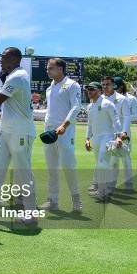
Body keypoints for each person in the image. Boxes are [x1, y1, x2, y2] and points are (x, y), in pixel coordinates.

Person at [0, 47, 38, 223]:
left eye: (4, 57)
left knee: (23, 171)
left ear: (13, 59)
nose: (1, 60)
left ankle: (31, 212)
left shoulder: (19, 76)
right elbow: (5, 109)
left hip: (20, 131)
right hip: (4, 130)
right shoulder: (12, 77)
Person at [39, 58, 82, 212]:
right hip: (50, 132)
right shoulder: (49, 88)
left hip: (65, 131)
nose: (48, 70)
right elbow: (49, 111)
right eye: (47, 68)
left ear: (60, 69)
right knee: (51, 168)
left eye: (50, 68)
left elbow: (76, 106)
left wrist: (64, 125)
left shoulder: (72, 85)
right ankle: (53, 200)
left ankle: (76, 199)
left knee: (68, 166)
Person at [84, 82, 123, 202]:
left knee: (102, 163)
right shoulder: (90, 106)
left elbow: (116, 121)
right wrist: (87, 138)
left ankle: (103, 192)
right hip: (96, 138)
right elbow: (90, 124)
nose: (89, 91)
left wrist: (118, 137)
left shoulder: (107, 104)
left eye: (92, 89)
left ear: (100, 91)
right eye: (88, 89)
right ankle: (103, 189)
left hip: (107, 137)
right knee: (99, 163)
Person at [113, 77, 137, 191]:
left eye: (116, 86)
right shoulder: (110, 98)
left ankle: (129, 184)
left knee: (126, 158)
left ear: (121, 86)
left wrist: (123, 116)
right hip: (112, 132)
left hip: (125, 132)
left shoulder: (131, 98)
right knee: (113, 158)